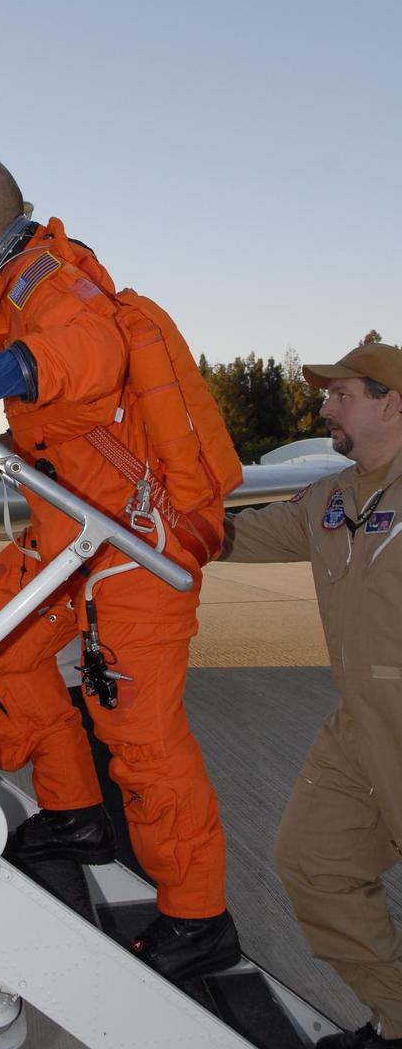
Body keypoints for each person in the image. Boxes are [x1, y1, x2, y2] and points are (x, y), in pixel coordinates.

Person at [0, 155, 241, 984]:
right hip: (77, 531)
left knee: (142, 737)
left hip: (133, 545)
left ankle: (199, 916)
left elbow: (90, 357)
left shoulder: (46, 278)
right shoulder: (10, 290)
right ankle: (77, 812)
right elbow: (68, 415)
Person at [221, 342, 402, 1049]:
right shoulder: (330, 499)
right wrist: (142, 516)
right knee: (313, 864)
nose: (325, 407)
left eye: (342, 394)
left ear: (392, 402)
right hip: (360, 730)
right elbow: (230, 535)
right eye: (325, 396)